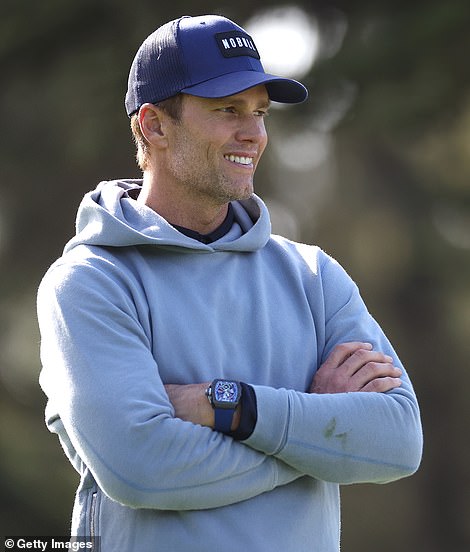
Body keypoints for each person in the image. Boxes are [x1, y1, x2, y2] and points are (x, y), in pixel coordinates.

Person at [37, 14, 423, 552]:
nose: (254, 134)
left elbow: (398, 443)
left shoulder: (315, 276)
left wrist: (232, 407)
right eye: (227, 110)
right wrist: (312, 437)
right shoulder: (90, 283)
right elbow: (141, 470)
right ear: (154, 125)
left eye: (261, 112)